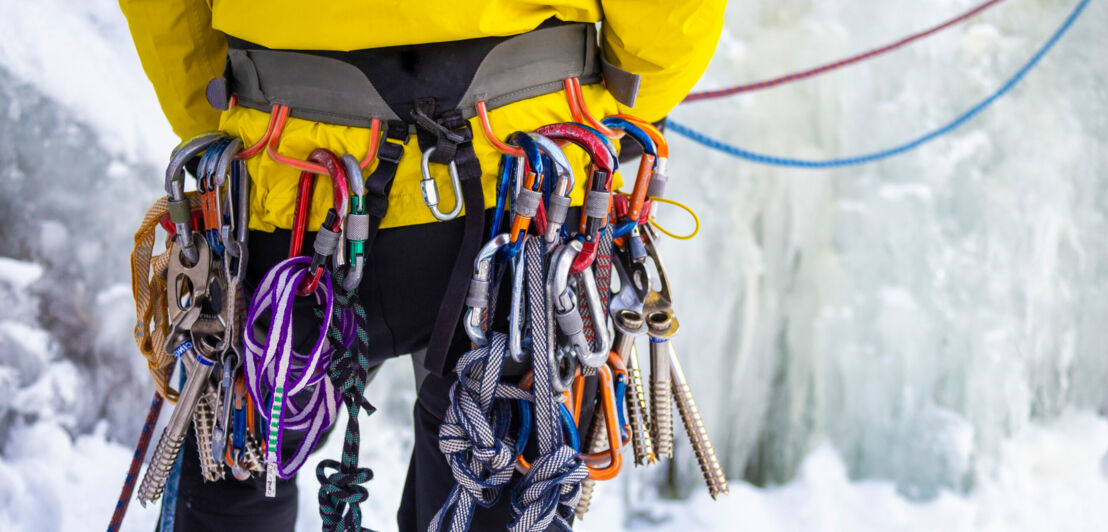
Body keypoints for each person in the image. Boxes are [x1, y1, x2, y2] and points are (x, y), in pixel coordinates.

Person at [119, 1, 725, 530]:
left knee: (238, 465)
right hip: (523, 191)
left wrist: (225, 125)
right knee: (496, 482)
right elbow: (665, 23)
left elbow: (168, 18)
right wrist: (621, 108)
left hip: (292, 185)